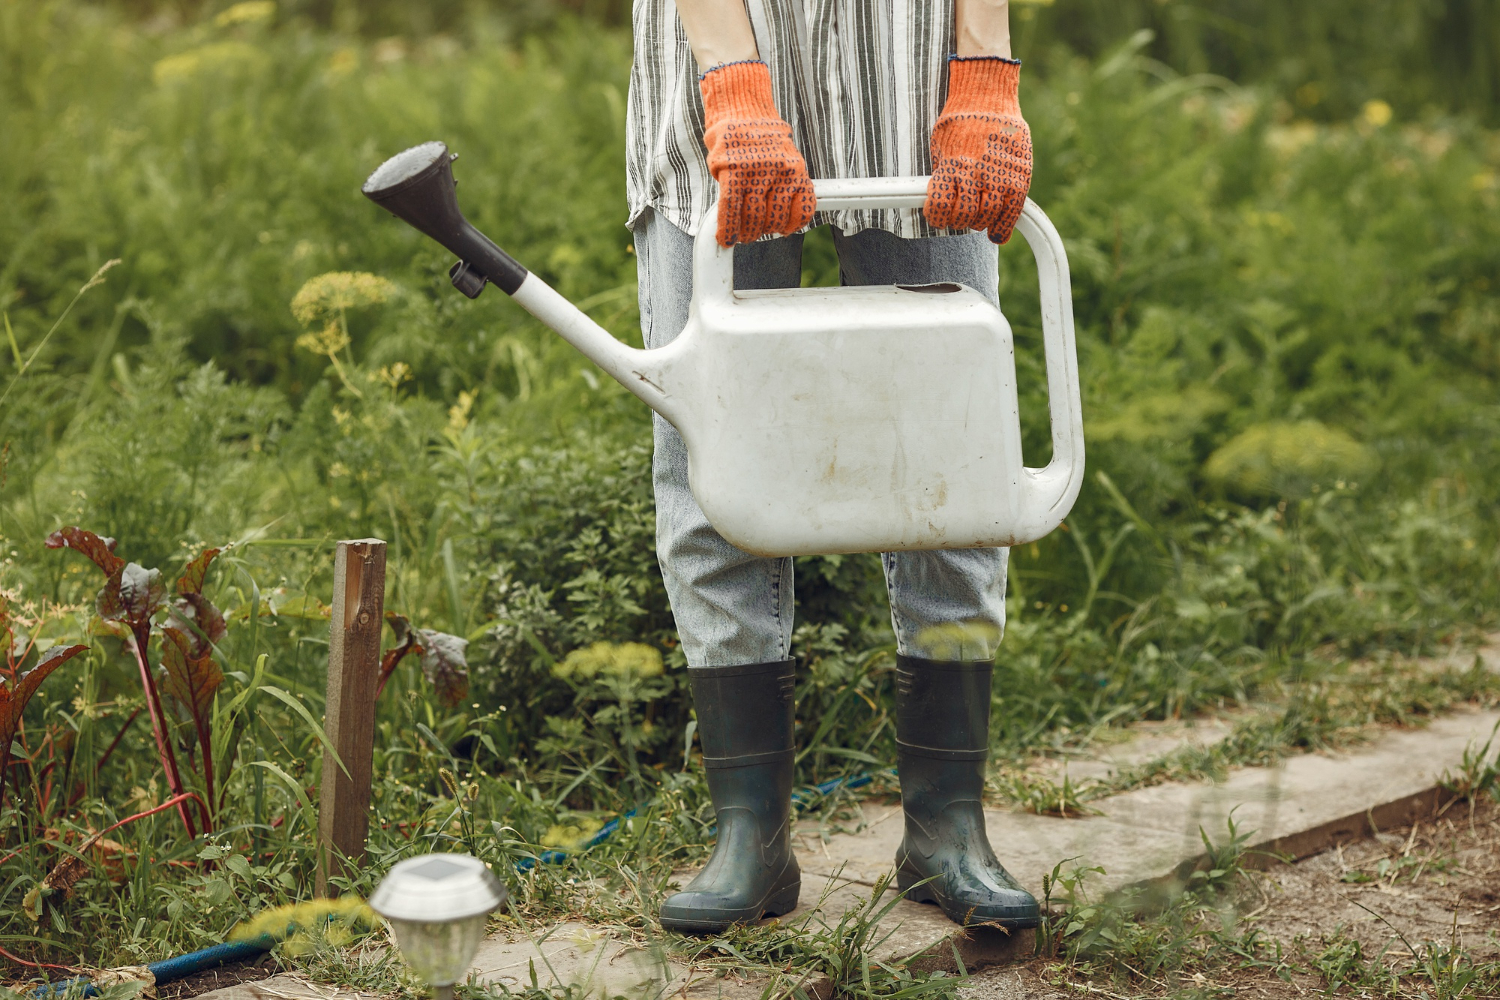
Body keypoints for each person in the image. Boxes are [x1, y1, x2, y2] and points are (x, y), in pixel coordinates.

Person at [627, 0, 1037, 933]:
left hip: (915, 71)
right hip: (716, 65)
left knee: (953, 447)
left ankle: (948, 829)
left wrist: (983, 71)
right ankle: (751, 839)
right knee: (712, 442)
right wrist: (731, 78)